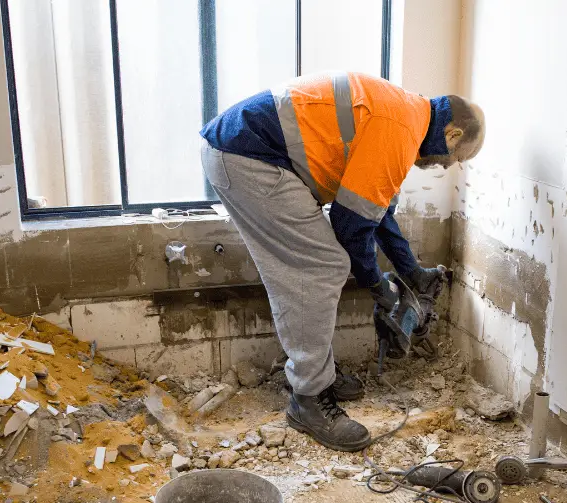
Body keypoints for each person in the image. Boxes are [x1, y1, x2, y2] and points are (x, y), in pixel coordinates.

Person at [200, 72, 485, 451]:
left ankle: (316, 375)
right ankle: (308, 398)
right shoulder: (398, 131)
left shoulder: (406, 117)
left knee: (319, 265)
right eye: (456, 159)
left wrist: (411, 273)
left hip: (248, 150)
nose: (450, 166)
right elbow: (351, 229)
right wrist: (380, 291)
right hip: (247, 155)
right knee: (321, 266)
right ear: (452, 135)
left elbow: (379, 214)